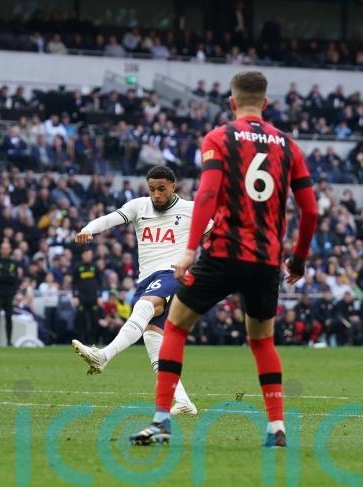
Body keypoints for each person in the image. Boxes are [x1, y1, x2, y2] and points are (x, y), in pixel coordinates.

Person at [130, 71, 318, 447]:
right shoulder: (288, 145)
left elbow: (207, 195)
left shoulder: (219, 138)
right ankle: (277, 428)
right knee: (262, 342)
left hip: (222, 255)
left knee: (176, 327)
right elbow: (310, 211)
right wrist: (298, 258)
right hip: (266, 261)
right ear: (266, 103)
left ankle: (162, 420)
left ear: (232, 103)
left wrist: (189, 251)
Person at [71, 166, 200, 415]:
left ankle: (103, 356)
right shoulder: (139, 206)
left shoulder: (190, 209)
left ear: (173, 187)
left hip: (173, 274)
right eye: (152, 189)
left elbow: (215, 232)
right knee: (152, 338)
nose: (156, 195)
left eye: (162, 189)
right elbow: (109, 219)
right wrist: (88, 229)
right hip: (147, 280)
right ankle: (184, 402)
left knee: (143, 307)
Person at [0, 241, 21, 345]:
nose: (5, 250)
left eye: (7, 248)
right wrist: (8, 275)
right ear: (1, 249)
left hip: (9, 295)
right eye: (3, 248)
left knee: (9, 317)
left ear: (10, 250)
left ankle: (9, 341)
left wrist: (2, 275)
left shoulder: (13, 263)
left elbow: (15, 279)